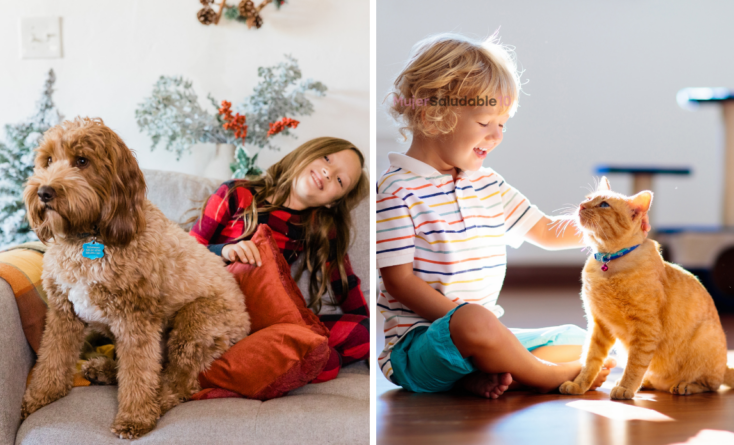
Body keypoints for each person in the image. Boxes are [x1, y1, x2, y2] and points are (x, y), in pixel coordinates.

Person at [377, 32, 648, 399]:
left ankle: (490, 375)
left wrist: (617, 231)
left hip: (484, 336)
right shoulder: (398, 190)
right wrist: (468, 320)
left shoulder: (487, 183)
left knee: (578, 339)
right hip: (420, 348)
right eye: (486, 122)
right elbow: (399, 282)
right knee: (474, 321)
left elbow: (548, 231)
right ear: (434, 114)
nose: (498, 135)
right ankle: (542, 375)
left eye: (503, 124)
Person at [189, 137, 370, 383]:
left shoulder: (319, 227)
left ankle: (244, 369)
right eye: (327, 158)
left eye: (340, 180)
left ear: (332, 202)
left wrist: (379, 347)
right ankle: (218, 373)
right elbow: (185, 253)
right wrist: (225, 252)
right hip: (214, 316)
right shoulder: (237, 193)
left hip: (267, 326)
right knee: (323, 363)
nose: (329, 172)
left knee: (362, 335)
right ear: (306, 152)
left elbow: (346, 287)